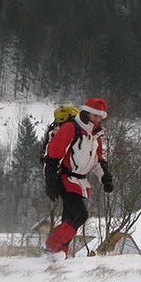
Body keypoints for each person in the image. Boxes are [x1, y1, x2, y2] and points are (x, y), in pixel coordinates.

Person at [43, 98, 113, 261]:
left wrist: (105, 179)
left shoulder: (96, 134)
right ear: (86, 112)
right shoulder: (70, 129)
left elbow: (97, 161)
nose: (98, 119)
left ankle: (60, 255)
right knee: (80, 215)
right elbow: (52, 157)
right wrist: (50, 183)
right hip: (65, 180)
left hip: (80, 183)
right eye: (95, 116)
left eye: (100, 117)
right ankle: (51, 246)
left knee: (69, 219)